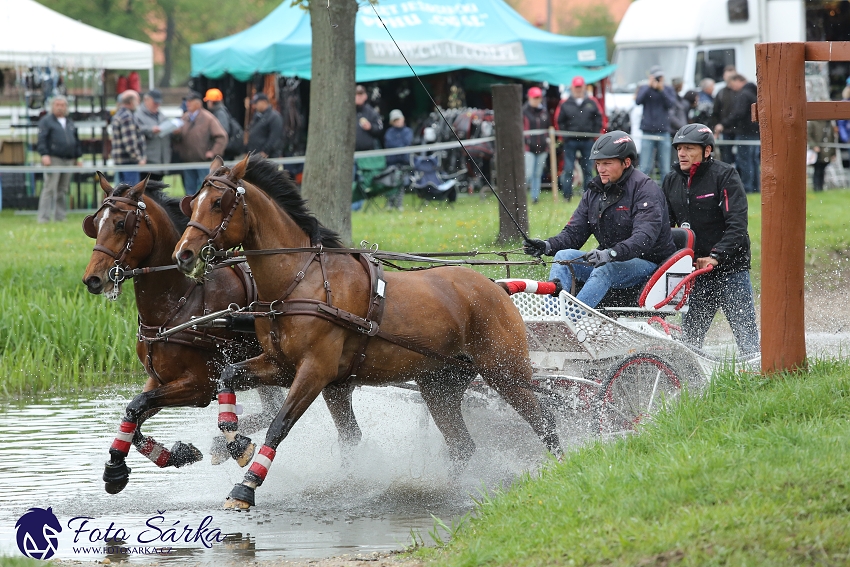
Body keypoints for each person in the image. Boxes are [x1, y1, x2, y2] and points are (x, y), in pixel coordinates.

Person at [523, 131, 676, 310]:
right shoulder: (595, 191)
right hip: (611, 259)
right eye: (598, 163)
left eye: (607, 163)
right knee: (562, 257)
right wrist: (547, 245)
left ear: (626, 162)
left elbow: (643, 239)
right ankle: (552, 316)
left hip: (650, 265)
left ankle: (571, 320)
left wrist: (610, 254)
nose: (600, 169)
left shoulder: (646, 189)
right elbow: (574, 234)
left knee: (605, 268)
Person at [662, 123, 759, 358]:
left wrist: (715, 257)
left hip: (731, 269)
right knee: (689, 344)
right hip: (696, 273)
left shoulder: (725, 175)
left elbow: (737, 226)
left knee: (748, 343)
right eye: (679, 148)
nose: (681, 153)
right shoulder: (670, 181)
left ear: (707, 151)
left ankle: (761, 380)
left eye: (689, 148)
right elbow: (664, 228)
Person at [36, 95, 82, 223]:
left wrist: (78, 157)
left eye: (63, 105)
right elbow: (42, 139)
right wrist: (44, 154)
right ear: (53, 106)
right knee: (49, 188)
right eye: (57, 105)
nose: (60, 107)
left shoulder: (70, 122)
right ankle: (43, 217)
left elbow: (76, 140)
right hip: (53, 158)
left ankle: (60, 217)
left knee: (63, 189)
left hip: (68, 159)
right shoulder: (46, 121)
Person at [173, 90, 228, 196]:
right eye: (187, 101)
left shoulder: (208, 118)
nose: (187, 103)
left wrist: (213, 152)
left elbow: (222, 136)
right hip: (187, 162)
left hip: (203, 162)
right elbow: (178, 138)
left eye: (190, 101)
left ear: (198, 103)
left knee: (204, 189)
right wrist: (176, 134)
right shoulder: (184, 117)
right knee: (189, 192)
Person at [557, 77, 602, 200]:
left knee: (588, 169)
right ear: (572, 87)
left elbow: (599, 119)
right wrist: (565, 136)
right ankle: (567, 195)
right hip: (570, 141)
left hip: (587, 141)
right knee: (568, 168)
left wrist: (594, 134)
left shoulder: (592, 102)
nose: (578, 89)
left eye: (580, 86)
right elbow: (559, 121)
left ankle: (588, 196)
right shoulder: (565, 103)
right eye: (576, 87)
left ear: (584, 87)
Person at [636, 65, 677, 180]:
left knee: (665, 168)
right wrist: (649, 87)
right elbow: (638, 101)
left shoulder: (667, 89)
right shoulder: (645, 88)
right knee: (644, 167)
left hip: (663, 130)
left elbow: (671, 104)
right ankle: (642, 192)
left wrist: (661, 90)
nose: (658, 80)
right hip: (647, 130)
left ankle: (666, 194)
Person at [723, 75, 759, 193]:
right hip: (755, 132)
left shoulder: (744, 94)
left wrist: (724, 123)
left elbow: (738, 113)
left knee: (744, 161)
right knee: (753, 161)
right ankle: (755, 186)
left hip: (745, 132)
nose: (732, 88)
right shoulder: (754, 94)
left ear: (739, 81)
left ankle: (747, 187)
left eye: (733, 84)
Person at [352, 84, 384, 211]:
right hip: (351, 154)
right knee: (350, 179)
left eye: (360, 94)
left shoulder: (371, 112)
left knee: (362, 181)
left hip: (366, 154)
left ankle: (357, 206)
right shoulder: (347, 112)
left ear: (365, 96)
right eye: (356, 95)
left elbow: (380, 129)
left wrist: (370, 127)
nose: (358, 98)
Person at [134, 89, 171, 182]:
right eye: (154, 102)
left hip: (161, 161)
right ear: (146, 100)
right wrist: (150, 130)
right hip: (147, 162)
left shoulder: (162, 115)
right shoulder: (137, 115)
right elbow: (135, 131)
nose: (157, 105)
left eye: (158, 103)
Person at [522, 86, 551, 205]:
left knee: (537, 174)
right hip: (528, 148)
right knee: (527, 173)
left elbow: (548, 128)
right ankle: (521, 195)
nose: (536, 100)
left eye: (538, 97)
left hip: (542, 147)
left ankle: (535, 197)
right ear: (529, 97)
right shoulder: (523, 112)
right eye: (534, 97)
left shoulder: (544, 112)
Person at [111, 90, 146, 186]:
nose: (138, 103)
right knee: (131, 194)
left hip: (121, 162)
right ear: (131, 101)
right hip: (129, 162)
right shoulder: (127, 117)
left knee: (121, 193)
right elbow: (130, 143)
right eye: (137, 100)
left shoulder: (118, 115)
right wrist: (139, 158)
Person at [384, 108, 413, 211]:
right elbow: (390, 143)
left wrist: (398, 147)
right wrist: (400, 147)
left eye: (398, 119)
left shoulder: (408, 131)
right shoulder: (389, 132)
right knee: (391, 183)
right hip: (392, 162)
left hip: (403, 161)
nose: (397, 122)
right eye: (395, 120)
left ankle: (399, 204)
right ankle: (390, 204)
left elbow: (407, 142)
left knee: (401, 183)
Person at [205, 88, 245, 160]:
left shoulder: (220, 113)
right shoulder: (221, 111)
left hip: (225, 151)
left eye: (208, 101)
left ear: (211, 101)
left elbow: (223, 131)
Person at [711, 65, 739, 165]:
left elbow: (739, 112)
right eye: (727, 77)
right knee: (726, 159)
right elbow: (715, 113)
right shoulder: (721, 93)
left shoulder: (740, 92)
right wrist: (716, 128)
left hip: (739, 130)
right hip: (725, 130)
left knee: (742, 160)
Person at [246, 93, 284, 158]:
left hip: (268, 156)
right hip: (256, 156)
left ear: (264, 102)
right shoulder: (257, 116)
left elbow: (274, 137)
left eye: (256, 103)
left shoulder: (274, 117)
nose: (254, 106)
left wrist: (265, 151)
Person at [807, 120, 836, 192]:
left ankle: (820, 187)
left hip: (825, 152)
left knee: (822, 170)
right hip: (817, 152)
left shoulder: (829, 123)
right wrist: (814, 146)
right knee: (817, 170)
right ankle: (816, 187)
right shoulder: (813, 123)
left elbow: (832, 138)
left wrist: (833, 153)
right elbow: (808, 135)